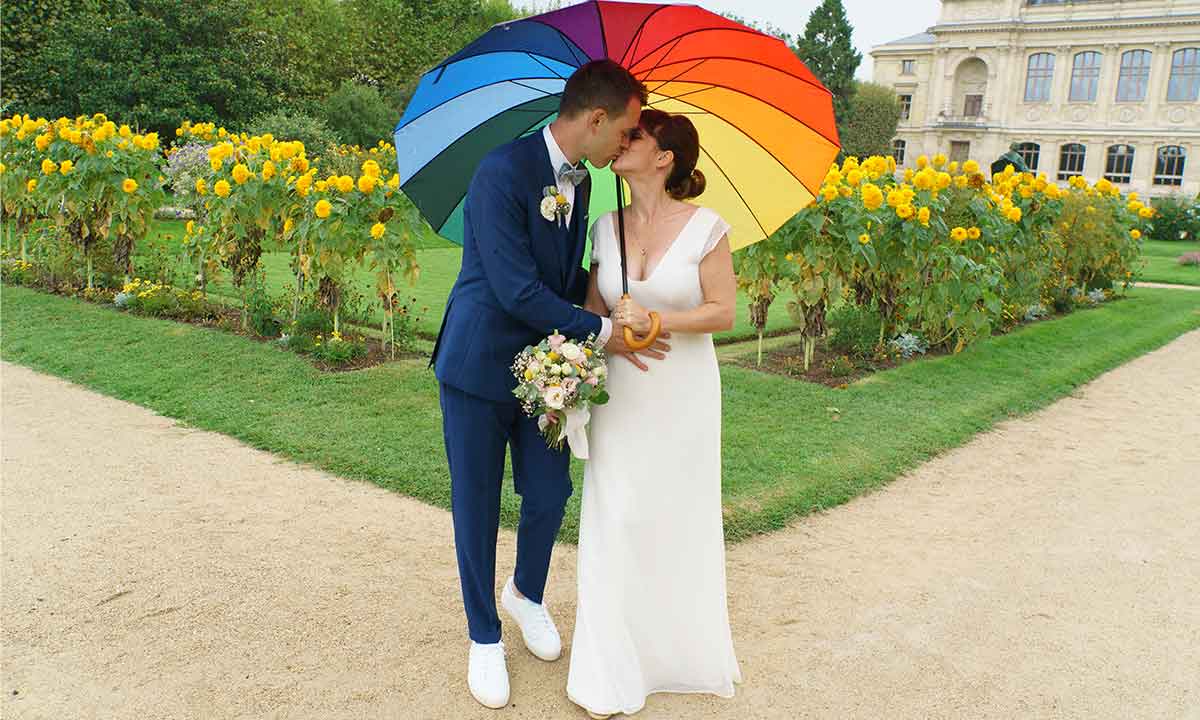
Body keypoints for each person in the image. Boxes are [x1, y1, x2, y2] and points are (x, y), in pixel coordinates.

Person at [430, 60, 670, 710]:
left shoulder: (585, 188)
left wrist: (612, 296)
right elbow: (513, 289)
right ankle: (483, 634)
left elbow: (562, 282)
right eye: (622, 131)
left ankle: (525, 594)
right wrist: (598, 330)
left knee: (549, 491)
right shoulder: (500, 171)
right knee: (476, 504)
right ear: (595, 119)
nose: (625, 145)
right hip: (478, 367)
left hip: (547, 372)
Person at [567, 108, 743, 717]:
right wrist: (606, 327)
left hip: (681, 393)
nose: (622, 139)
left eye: (634, 135)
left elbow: (724, 311)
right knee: (615, 515)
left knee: (672, 517)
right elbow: (591, 306)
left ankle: (672, 654)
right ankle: (609, 667)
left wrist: (659, 320)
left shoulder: (707, 229)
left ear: (664, 157)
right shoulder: (604, 226)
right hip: (621, 390)